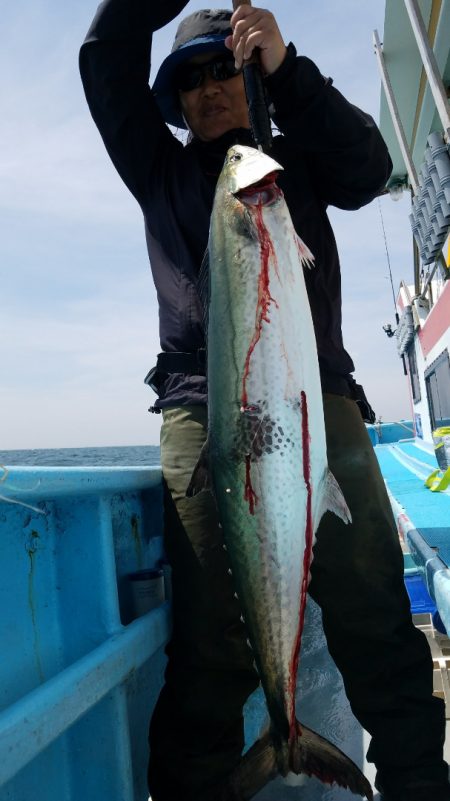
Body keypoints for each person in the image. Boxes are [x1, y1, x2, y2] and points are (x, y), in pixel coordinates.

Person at [79, 3, 450, 800]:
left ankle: (421, 783)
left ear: (248, 76)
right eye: (189, 81)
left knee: (379, 626)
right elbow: (102, 58)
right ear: (174, 105)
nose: (210, 90)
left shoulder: (293, 161)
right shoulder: (162, 170)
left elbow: (367, 164)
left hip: (318, 402)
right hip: (205, 414)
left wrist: (287, 69)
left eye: (223, 69)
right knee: (210, 652)